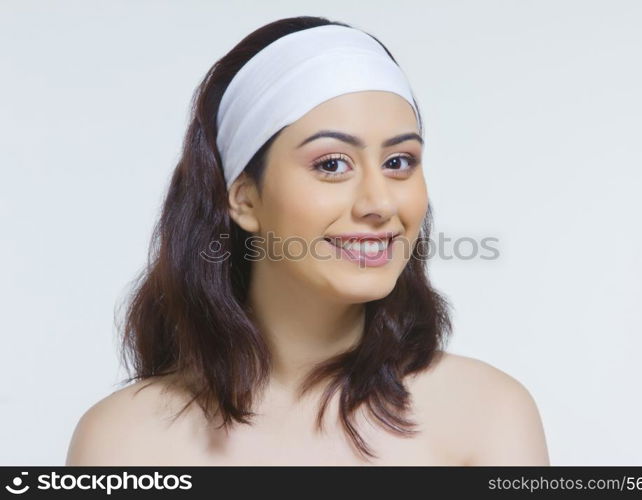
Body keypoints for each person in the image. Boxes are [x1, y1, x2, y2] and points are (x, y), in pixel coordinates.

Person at [65, 16, 549, 466]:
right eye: (332, 164)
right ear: (245, 199)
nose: (379, 203)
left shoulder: (486, 416)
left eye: (399, 161)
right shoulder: (122, 442)